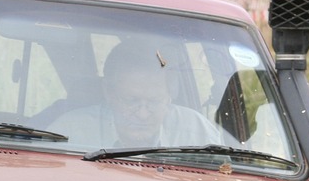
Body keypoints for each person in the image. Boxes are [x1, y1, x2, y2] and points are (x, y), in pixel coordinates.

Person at [53, 40, 229, 151]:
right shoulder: (69, 133)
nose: (143, 114)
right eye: (131, 101)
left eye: (154, 101)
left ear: (169, 96)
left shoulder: (198, 135)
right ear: (109, 93)